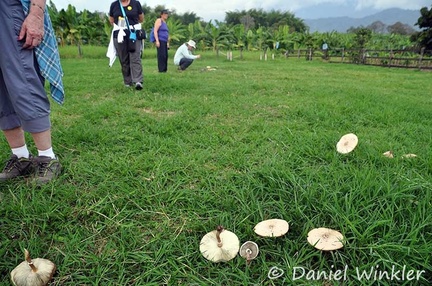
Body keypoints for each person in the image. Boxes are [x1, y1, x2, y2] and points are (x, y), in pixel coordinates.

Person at [0, 0, 64, 185]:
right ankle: (20, 157)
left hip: (9, 8)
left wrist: (36, 13)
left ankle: (47, 157)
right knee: (2, 89)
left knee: (22, 78)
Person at [109, 0, 144, 90]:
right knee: (123, 58)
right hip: (120, 34)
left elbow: (141, 19)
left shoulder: (136, 3)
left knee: (135, 56)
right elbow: (111, 20)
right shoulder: (114, 5)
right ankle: (127, 81)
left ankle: (138, 81)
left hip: (133, 33)